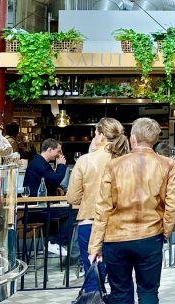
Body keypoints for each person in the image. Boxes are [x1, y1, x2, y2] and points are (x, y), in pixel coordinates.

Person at [88, 118, 175, 304]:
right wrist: (164, 232)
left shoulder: (113, 165)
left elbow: (103, 208)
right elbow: (174, 205)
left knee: (120, 292)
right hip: (150, 236)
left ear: (133, 138)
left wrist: (95, 245)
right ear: (154, 139)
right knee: (148, 292)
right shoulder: (169, 165)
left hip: (115, 238)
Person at [67, 118, 129, 293]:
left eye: (95, 133)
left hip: (90, 223)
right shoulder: (126, 161)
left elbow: (72, 197)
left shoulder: (85, 160)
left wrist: (89, 198)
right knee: (121, 280)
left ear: (101, 135)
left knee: (93, 275)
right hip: (120, 224)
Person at [24, 138, 74, 254]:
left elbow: (49, 182)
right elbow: (55, 179)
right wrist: (61, 165)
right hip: (38, 208)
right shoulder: (39, 163)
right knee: (75, 212)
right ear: (50, 150)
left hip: (41, 205)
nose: (60, 155)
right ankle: (56, 242)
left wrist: (56, 189)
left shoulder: (39, 162)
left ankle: (56, 241)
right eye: (58, 151)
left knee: (70, 211)